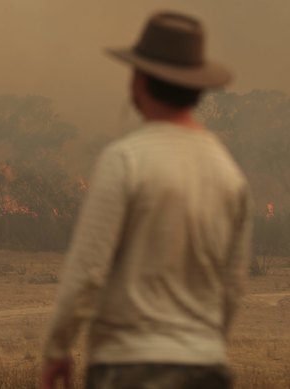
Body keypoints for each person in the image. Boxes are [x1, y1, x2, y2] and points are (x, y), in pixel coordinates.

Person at [41, 11, 251, 389]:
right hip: (207, 369)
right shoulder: (230, 175)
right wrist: (202, 347)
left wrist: (58, 348)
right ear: (198, 87)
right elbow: (234, 287)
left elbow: (87, 271)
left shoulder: (124, 160)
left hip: (129, 367)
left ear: (138, 80)